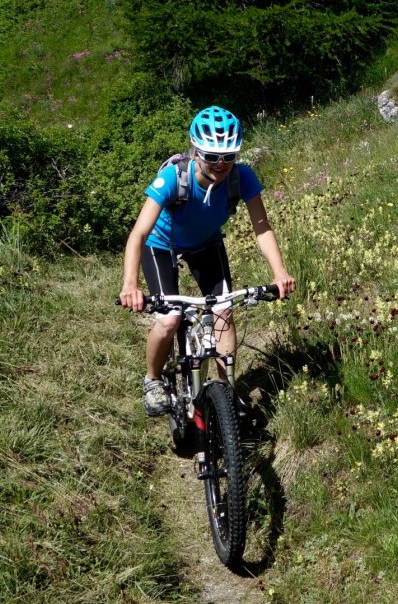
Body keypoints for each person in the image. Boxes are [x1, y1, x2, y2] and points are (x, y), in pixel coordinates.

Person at [119, 105, 296, 416]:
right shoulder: (173, 178)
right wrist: (130, 285)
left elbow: (262, 227)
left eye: (229, 156)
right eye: (211, 156)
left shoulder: (242, 178)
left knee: (223, 311)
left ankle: (225, 391)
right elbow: (138, 234)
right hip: (161, 245)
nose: (221, 164)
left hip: (205, 243)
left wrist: (279, 272)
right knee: (170, 319)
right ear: (195, 150)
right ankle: (152, 380)